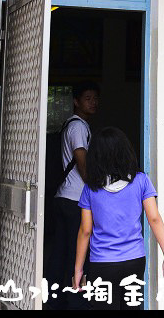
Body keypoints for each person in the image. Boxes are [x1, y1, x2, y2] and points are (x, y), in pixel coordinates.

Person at [73, 127, 164, 311]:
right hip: (134, 260)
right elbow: (154, 219)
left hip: (102, 263)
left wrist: (78, 269)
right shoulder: (141, 181)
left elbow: (85, 230)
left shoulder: (90, 189)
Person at [48, 80, 100, 309]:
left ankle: (54, 299)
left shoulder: (72, 125)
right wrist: (95, 187)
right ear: (76, 102)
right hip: (75, 199)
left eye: (95, 98)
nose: (93, 102)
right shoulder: (78, 126)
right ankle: (73, 300)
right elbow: (81, 158)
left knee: (61, 250)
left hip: (64, 197)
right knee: (76, 252)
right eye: (88, 98)